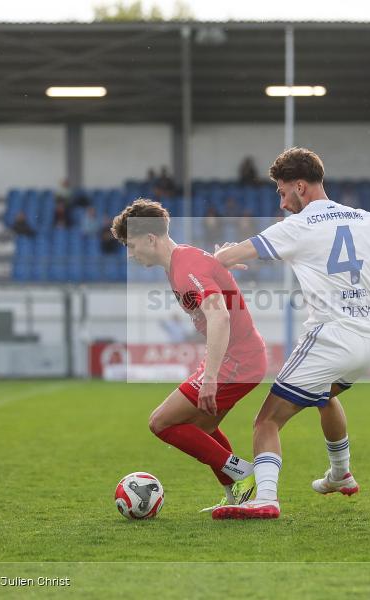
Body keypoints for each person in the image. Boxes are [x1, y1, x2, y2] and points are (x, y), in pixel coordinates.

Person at [211, 147, 370, 519]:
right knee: (324, 395)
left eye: (282, 193)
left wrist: (223, 253)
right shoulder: (364, 218)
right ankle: (341, 475)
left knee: (266, 421)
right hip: (369, 340)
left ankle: (265, 498)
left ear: (299, 186)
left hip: (330, 337)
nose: (281, 203)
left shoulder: (298, 226)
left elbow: (226, 259)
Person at [111, 199, 268, 511]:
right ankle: (238, 491)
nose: (131, 254)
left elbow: (220, 317)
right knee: (200, 429)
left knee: (161, 423)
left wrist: (210, 378)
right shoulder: (184, 261)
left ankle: (244, 473)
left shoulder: (184, 269)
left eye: (131, 245)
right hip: (240, 359)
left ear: (150, 239)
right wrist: (219, 267)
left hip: (237, 362)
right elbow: (210, 279)